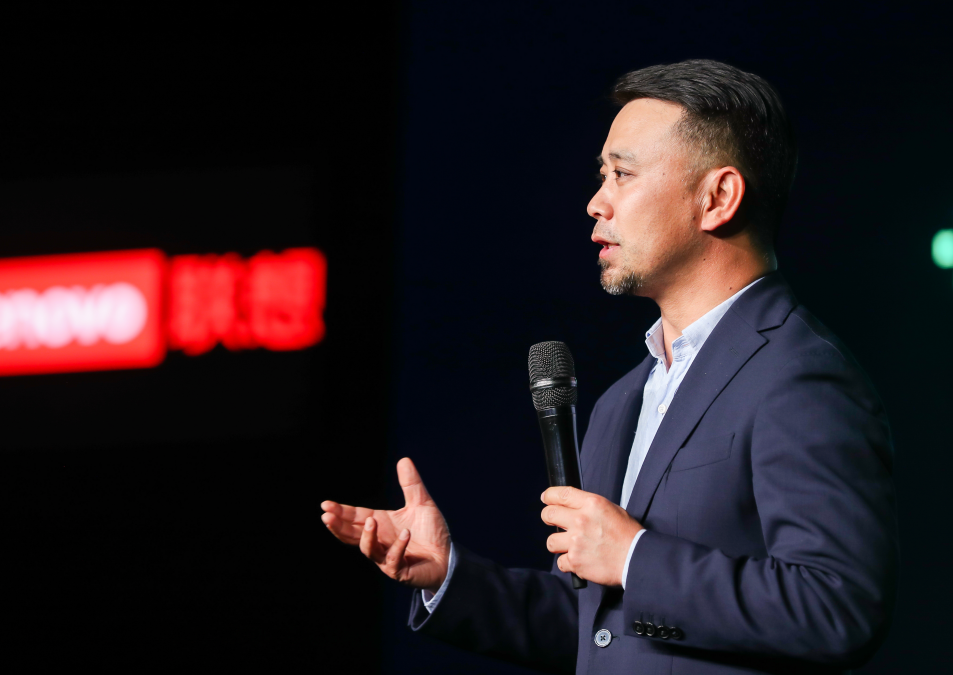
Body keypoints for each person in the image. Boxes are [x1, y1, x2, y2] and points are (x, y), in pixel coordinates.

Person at [320, 59, 898, 674]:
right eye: (603, 176)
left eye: (622, 174)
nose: (597, 203)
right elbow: (595, 628)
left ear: (718, 198)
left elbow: (837, 607)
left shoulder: (798, 374)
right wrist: (448, 576)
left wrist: (634, 558)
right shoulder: (624, 399)